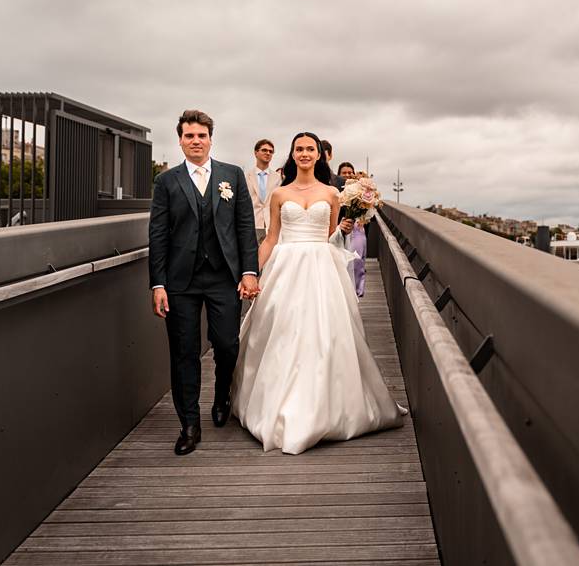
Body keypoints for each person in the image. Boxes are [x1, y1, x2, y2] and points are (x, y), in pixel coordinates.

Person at [233, 132, 407, 454]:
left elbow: (333, 239)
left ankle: (323, 408)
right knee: (283, 332)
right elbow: (272, 238)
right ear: (293, 154)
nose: (304, 153)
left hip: (321, 267)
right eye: (299, 149)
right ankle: (278, 406)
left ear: (318, 155)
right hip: (285, 266)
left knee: (323, 334)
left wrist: (345, 231)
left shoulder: (331, 193)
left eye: (309, 149)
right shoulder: (279, 194)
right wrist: (252, 273)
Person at [149, 110, 260, 456]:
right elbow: (158, 235)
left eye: (201, 136)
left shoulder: (233, 176)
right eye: (188, 136)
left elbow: (245, 227)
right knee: (184, 352)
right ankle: (189, 425)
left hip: (223, 276)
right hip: (181, 280)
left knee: (227, 344)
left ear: (211, 139)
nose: (195, 141)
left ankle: (223, 391)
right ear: (180, 140)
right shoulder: (166, 182)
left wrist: (249, 271)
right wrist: (158, 284)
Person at [338, 163, 367, 297]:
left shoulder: (361, 191)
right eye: (344, 173)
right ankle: (343, 289)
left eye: (350, 172)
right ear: (339, 174)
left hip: (356, 228)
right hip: (340, 228)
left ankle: (357, 290)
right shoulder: (335, 190)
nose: (347, 175)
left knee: (357, 259)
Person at [244, 138, 282, 242]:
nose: (268, 153)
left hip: (272, 223)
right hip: (253, 223)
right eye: (264, 150)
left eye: (271, 151)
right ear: (256, 153)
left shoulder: (278, 178)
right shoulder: (246, 176)